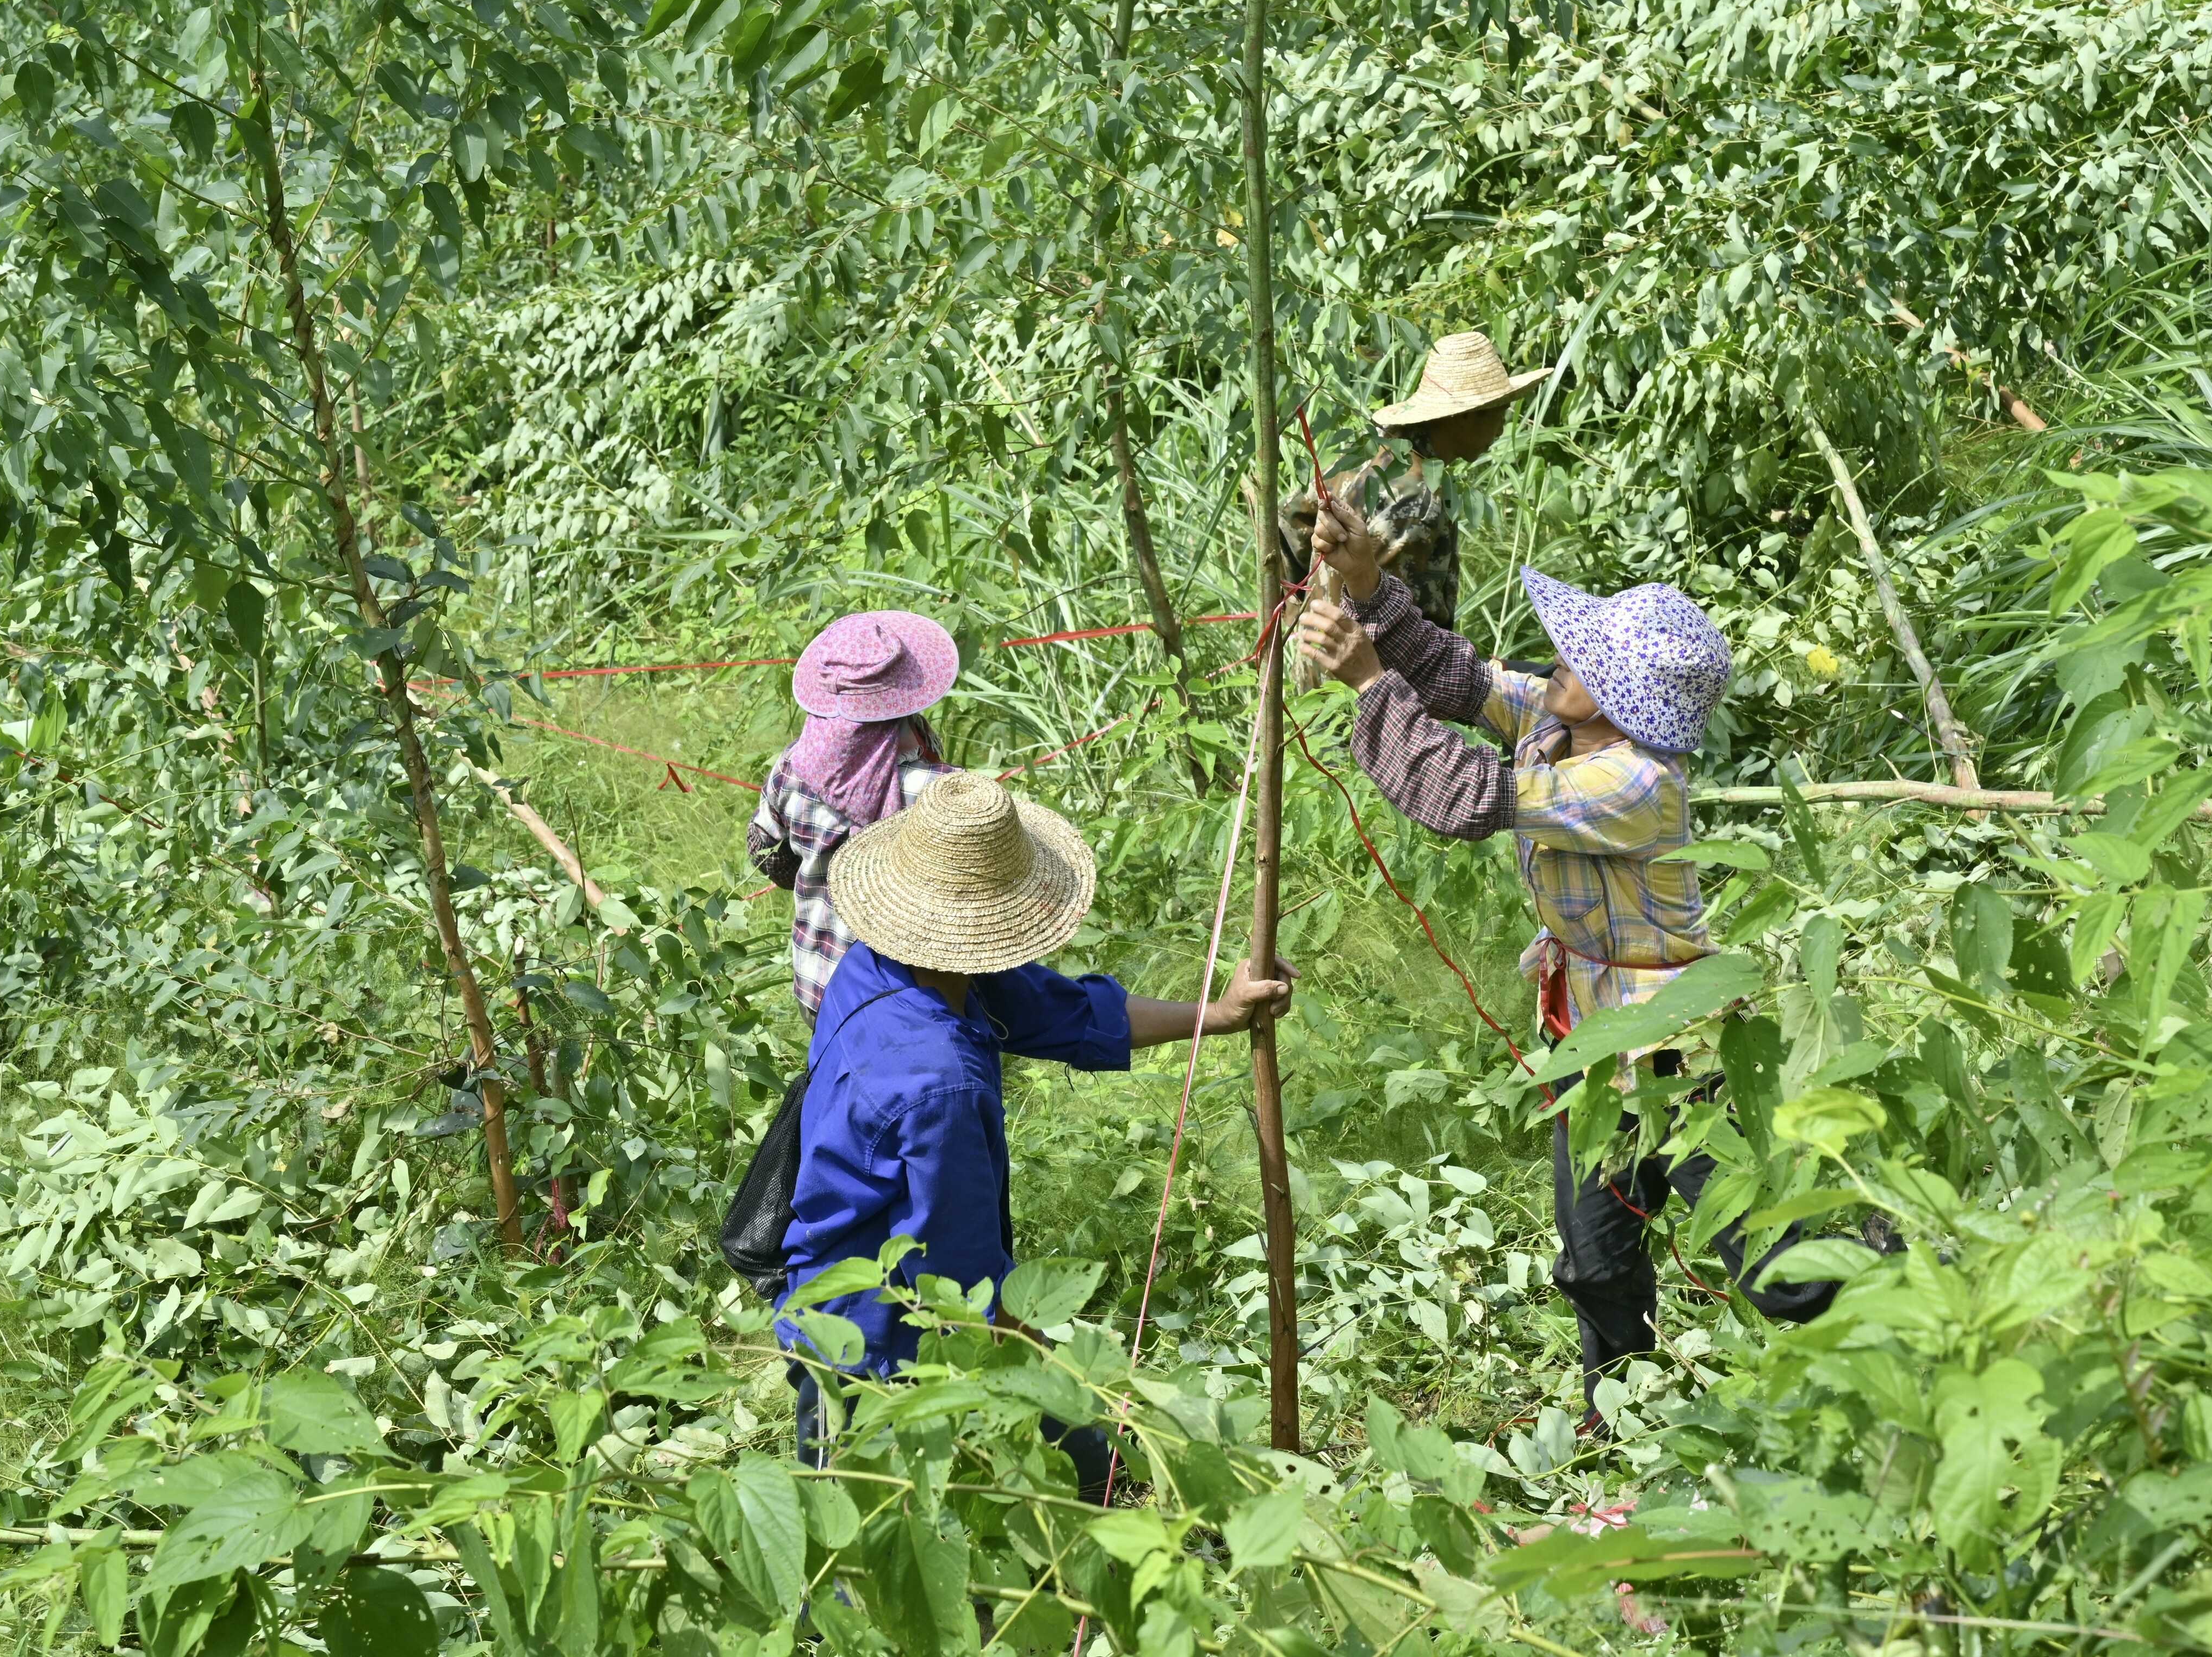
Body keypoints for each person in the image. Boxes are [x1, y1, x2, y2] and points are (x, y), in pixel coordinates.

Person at [1295, 500, 1860, 1407]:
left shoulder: (1630, 782)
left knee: (1771, 1263)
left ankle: (1881, 1345)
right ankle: (1619, 1414)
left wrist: (1367, 683)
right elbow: (1452, 675)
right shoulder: (1560, 725)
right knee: (1592, 1259)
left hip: (1681, 1052)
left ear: (1617, 699)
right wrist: (1363, 580)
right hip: (1593, 1044)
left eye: (1579, 658)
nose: (1556, 658)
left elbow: (1463, 794)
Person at [776, 768, 1292, 1497]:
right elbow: (965, 1291)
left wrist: (1219, 1013)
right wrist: (1076, 1385)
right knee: (875, 1539)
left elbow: (1072, 1015)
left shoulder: (885, 967)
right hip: (868, 1349)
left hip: (896, 1311)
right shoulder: (939, 1084)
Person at [748, 611, 956, 1021]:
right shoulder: (943, 793)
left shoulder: (792, 767)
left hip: (818, 986)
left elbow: (763, 851)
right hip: (909, 1003)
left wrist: (819, 871)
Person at [1274, 330, 1548, 635]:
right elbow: (1398, 634)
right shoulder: (1421, 501)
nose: (1502, 429)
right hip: (1363, 663)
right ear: (1466, 416)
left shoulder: (1369, 454)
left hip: (1320, 653)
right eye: (1500, 413)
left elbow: (1288, 522)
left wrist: (1301, 618)